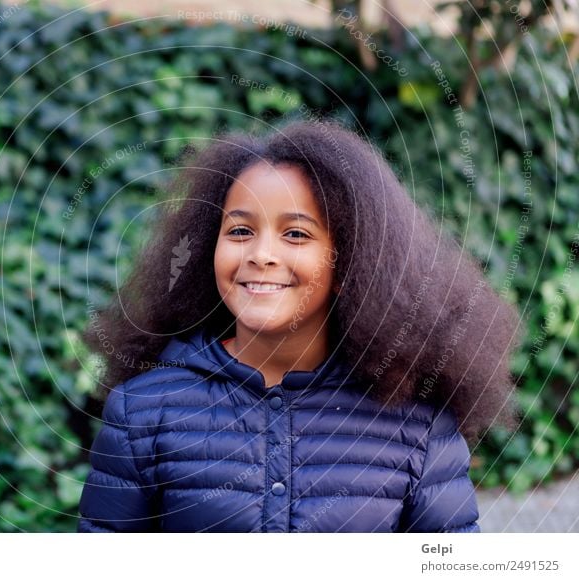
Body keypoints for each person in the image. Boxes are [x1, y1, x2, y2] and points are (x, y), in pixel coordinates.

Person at [76, 119, 522, 532]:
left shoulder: (416, 424)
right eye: (239, 231)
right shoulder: (144, 412)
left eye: (296, 234)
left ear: (350, 265)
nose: (261, 254)